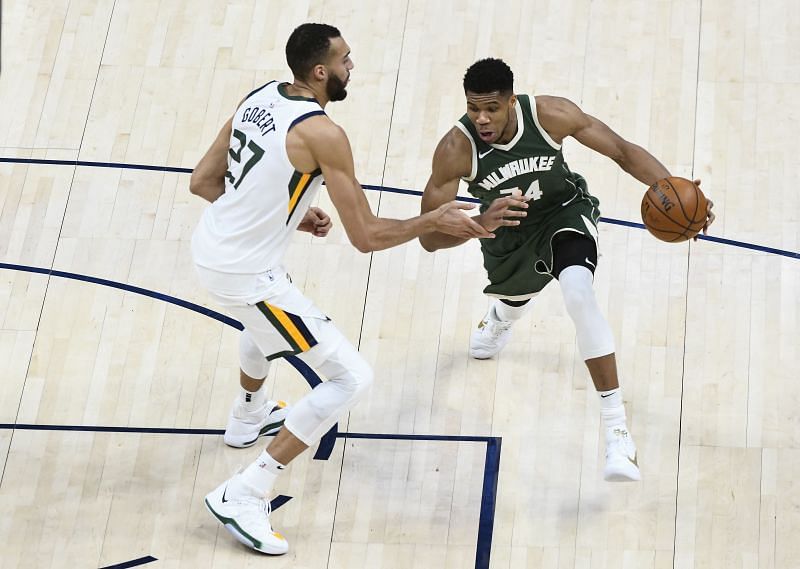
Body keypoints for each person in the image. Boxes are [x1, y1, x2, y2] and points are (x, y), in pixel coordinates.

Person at [189, 25, 516, 555]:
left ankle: (249, 412)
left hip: (214, 250)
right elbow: (365, 237)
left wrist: (288, 216)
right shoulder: (323, 134)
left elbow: (204, 182)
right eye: (344, 59)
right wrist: (430, 220)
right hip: (244, 274)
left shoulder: (257, 98)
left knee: (264, 321)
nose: (351, 66)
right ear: (321, 72)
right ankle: (245, 491)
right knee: (350, 378)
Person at [419, 58, 714, 482]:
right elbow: (429, 236)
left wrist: (675, 191)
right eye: (472, 108)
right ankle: (503, 314)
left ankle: (617, 433)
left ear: (511, 101)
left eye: (492, 108)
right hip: (508, 235)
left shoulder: (549, 115)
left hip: (563, 213)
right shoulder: (456, 150)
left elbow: (622, 152)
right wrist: (481, 224)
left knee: (578, 291)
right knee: (513, 297)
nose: (481, 118)